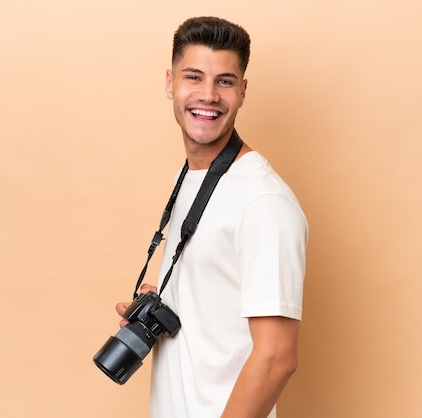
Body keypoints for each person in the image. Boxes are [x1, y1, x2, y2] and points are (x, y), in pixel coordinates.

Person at [116, 16, 308, 418]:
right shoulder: (190, 176)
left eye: (224, 81)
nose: (208, 95)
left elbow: (277, 358)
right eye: (193, 77)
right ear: (170, 83)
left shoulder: (263, 202)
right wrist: (168, 297)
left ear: (242, 91)